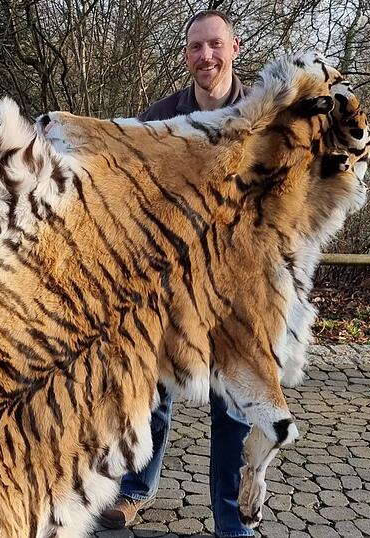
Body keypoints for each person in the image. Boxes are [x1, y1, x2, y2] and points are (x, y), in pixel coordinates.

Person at [98, 10, 255, 538]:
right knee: (153, 396)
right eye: (195, 47)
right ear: (186, 55)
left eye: (215, 45)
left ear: (234, 48)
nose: (205, 56)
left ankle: (232, 521)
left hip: (236, 293)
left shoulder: (264, 119)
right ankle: (135, 489)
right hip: (168, 287)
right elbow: (127, 192)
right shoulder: (161, 120)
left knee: (233, 408)